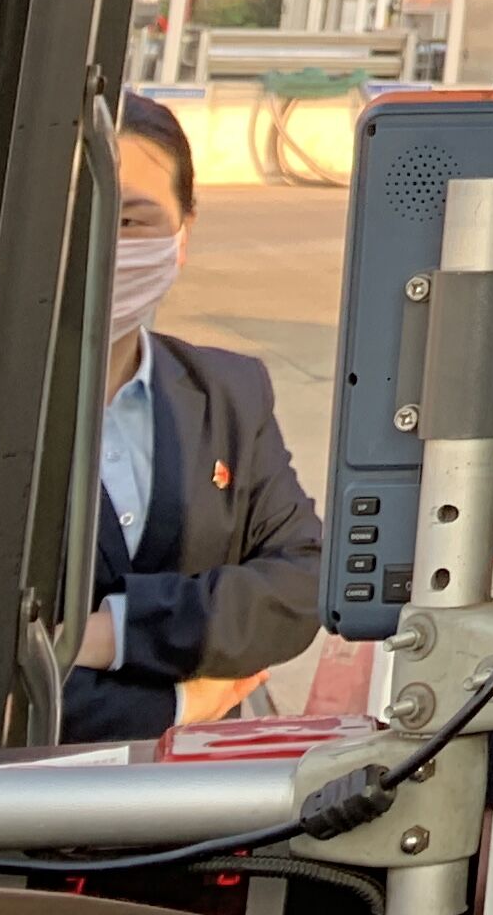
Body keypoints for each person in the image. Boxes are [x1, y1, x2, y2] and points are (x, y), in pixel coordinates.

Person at [60, 93, 322, 740]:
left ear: (183, 231)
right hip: (0, 792)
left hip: (190, 796)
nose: (102, 243)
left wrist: (115, 631)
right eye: (76, 217)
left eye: (132, 220)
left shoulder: (230, 392)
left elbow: (303, 582)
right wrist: (176, 709)